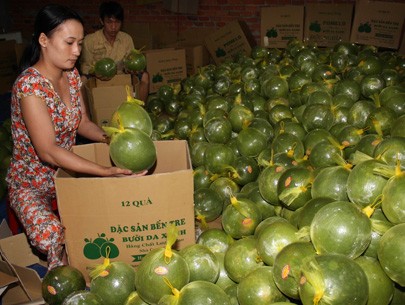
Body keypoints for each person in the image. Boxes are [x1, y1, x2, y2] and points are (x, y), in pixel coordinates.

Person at [6, 4, 145, 271]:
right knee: (51, 235)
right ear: (44, 40)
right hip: (30, 183)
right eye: (69, 42)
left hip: (66, 174)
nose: (77, 51)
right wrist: (104, 171)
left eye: (80, 43)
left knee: (106, 221)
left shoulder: (71, 77)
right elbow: (47, 151)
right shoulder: (29, 86)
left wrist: (115, 138)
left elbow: (82, 123)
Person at [80, 1, 149, 101]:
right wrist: (96, 72)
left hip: (122, 77)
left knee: (145, 77)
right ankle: (86, 115)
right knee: (81, 82)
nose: (113, 27)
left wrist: (131, 69)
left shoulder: (126, 39)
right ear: (101, 21)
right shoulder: (90, 40)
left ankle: (140, 108)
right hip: (97, 79)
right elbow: (85, 68)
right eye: (109, 22)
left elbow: (131, 62)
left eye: (117, 22)